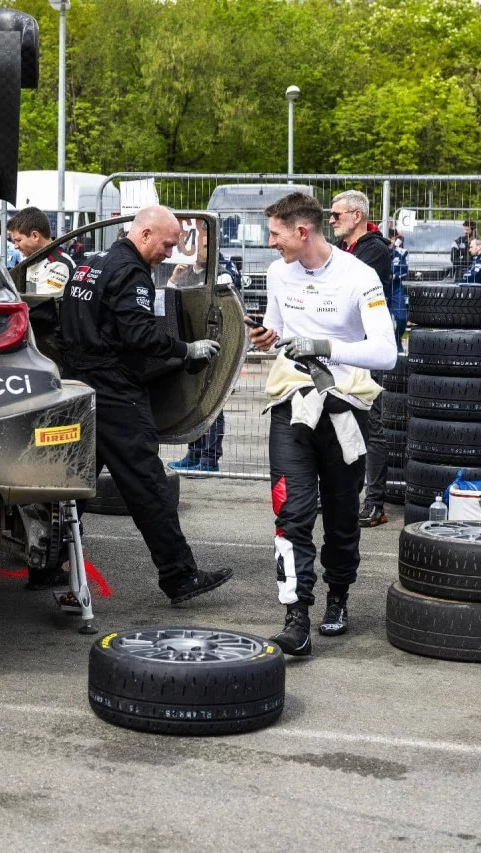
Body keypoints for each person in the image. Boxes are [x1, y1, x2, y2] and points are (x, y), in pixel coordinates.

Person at [246, 192, 396, 655]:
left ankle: (339, 597)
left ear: (302, 232)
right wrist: (269, 337)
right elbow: (278, 333)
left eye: (276, 234)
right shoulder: (276, 273)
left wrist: (324, 345)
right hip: (291, 405)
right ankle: (296, 616)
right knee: (291, 513)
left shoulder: (360, 275)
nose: (271, 243)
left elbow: (386, 354)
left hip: (345, 406)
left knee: (341, 515)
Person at [60, 205, 232, 604]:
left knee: (71, 486)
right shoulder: (131, 271)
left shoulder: (89, 263)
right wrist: (185, 349)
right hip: (116, 393)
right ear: (145, 234)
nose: (169, 253)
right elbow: (139, 334)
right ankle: (179, 576)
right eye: (168, 244)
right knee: (150, 487)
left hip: (78, 390)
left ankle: (47, 565)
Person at [330, 190, 392, 529]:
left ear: (357, 216)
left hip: (368, 350)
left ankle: (375, 503)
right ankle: (343, 496)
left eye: (337, 215)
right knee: (340, 418)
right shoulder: (345, 249)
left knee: (372, 425)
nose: (332, 220)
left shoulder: (374, 250)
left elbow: (344, 288)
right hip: (344, 349)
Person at [168, 225, 241, 474]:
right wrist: (175, 280)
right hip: (192, 342)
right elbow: (169, 299)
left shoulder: (222, 269)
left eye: (207, 246)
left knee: (212, 401)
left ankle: (209, 458)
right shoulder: (187, 270)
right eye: (199, 245)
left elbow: (226, 292)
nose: (202, 250)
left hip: (217, 341)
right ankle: (194, 453)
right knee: (194, 399)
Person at [8, 206, 75, 295]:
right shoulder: (32, 257)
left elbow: (42, 305)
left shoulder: (59, 265)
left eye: (19, 240)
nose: (15, 246)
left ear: (35, 236)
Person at [388, 229, 408, 350]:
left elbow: (405, 270)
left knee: (401, 317)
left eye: (392, 237)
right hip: (380, 288)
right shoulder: (378, 250)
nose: (390, 240)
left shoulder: (402, 252)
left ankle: (397, 339)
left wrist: (393, 276)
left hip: (396, 287)